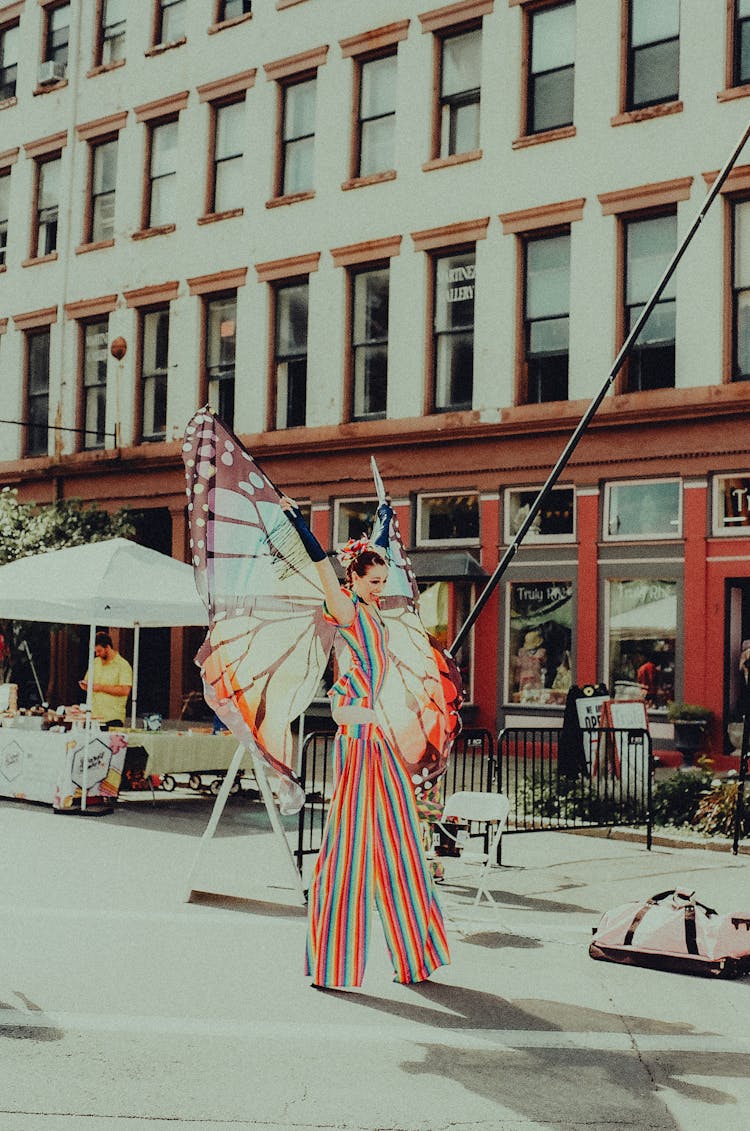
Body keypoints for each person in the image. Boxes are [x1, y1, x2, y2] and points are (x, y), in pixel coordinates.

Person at [282, 497, 450, 990]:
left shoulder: (371, 610)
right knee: (348, 847)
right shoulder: (346, 608)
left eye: (383, 581)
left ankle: (416, 957)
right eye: (373, 582)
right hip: (358, 737)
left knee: (400, 845)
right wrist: (299, 524)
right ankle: (335, 963)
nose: (382, 588)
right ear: (354, 581)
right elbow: (321, 565)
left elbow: (375, 550)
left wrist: (382, 519)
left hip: (377, 735)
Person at [78, 631, 133, 727]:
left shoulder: (122, 665)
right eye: (95, 651)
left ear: (107, 647)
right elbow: (89, 684)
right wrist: (85, 686)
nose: (97, 654)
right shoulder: (95, 663)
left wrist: (100, 687)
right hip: (93, 716)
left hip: (112, 717)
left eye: (99, 651)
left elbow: (125, 690)